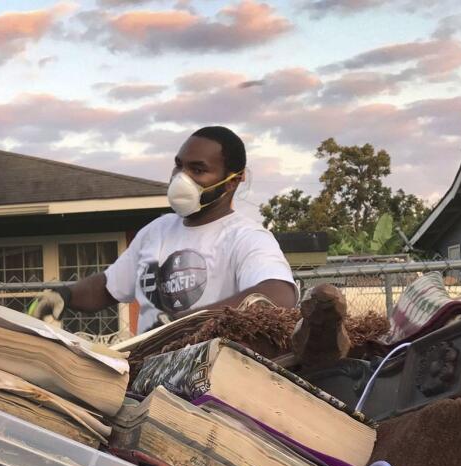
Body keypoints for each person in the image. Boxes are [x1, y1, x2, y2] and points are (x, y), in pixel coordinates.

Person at [30, 126, 297, 334]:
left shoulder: (246, 237)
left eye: (198, 169)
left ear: (233, 181)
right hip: (146, 372)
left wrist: (183, 325)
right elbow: (107, 287)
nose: (181, 177)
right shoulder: (157, 231)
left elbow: (278, 295)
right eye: (179, 165)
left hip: (210, 381)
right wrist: (64, 295)